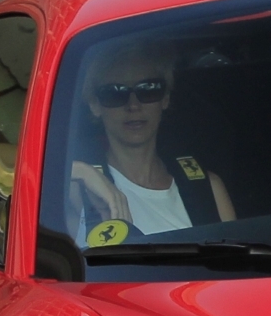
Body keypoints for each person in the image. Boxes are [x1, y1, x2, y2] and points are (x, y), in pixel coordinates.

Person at [66, 43, 235, 238]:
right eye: (115, 93)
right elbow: (25, 186)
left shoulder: (208, 187)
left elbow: (240, 265)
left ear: (165, 98)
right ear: (94, 104)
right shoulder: (78, 189)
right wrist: (83, 172)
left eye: (148, 89)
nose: (134, 105)